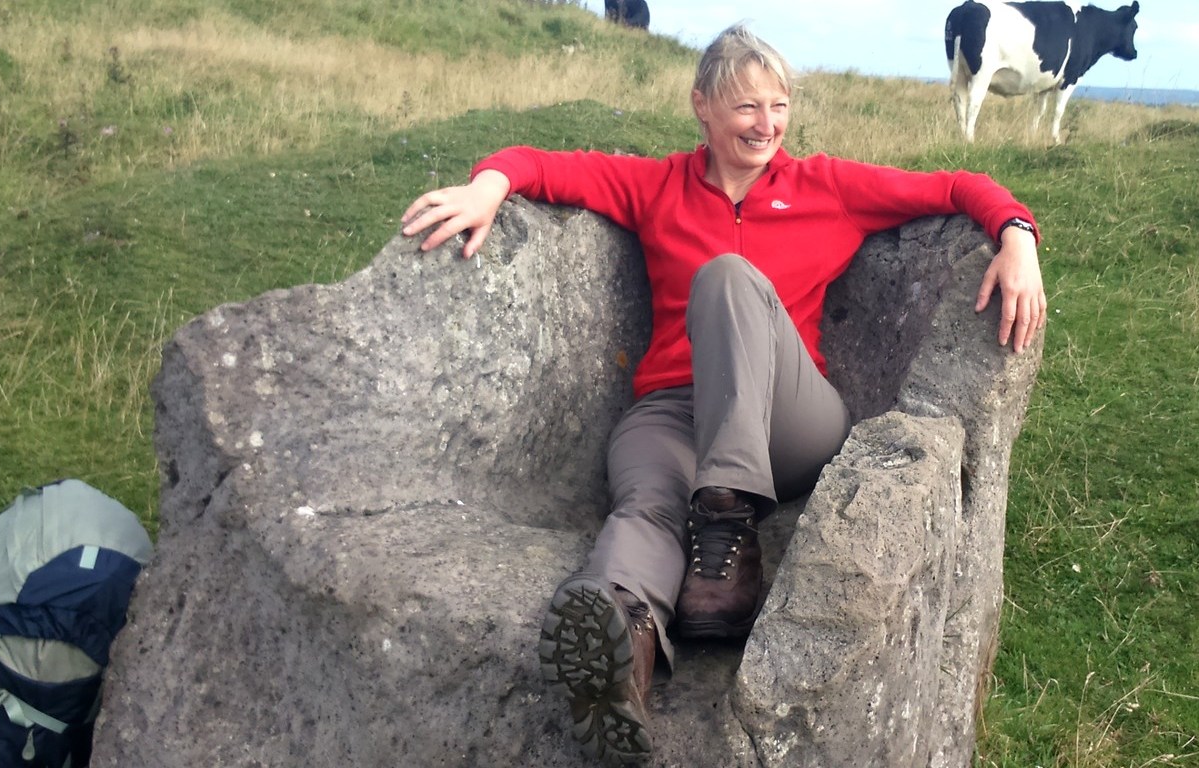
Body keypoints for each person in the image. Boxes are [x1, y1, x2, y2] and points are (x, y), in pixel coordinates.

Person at [400, 23, 1045, 763]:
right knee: (646, 504)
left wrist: (1017, 236)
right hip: (673, 411)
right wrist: (487, 188)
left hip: (788, 422)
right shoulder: (656, 186)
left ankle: (726, 520)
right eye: (746, 107)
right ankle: (621, 648)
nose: (766, 125)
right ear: (701, 106)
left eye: (779, 106)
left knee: (727, 277)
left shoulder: (826, 187)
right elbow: (537, 165)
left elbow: (957, 187)